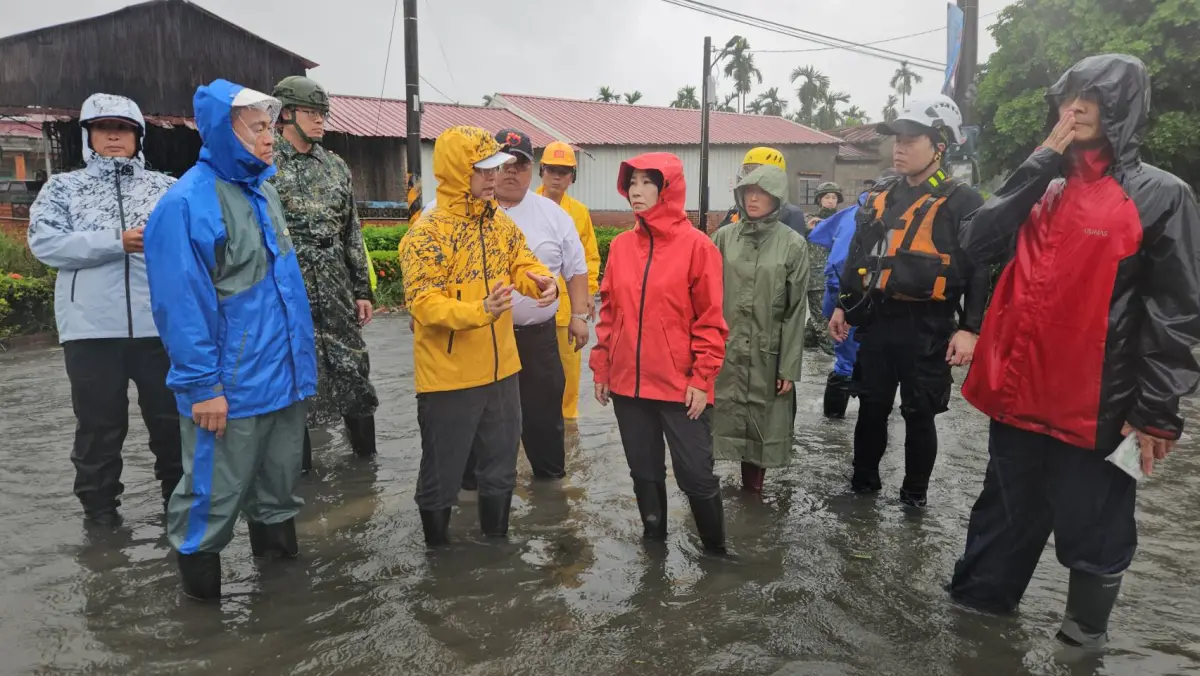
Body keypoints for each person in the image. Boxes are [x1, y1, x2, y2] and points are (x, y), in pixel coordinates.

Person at [947, 54, 1200, 650]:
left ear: (1124, 109)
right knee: (1001, 520)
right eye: (1069, 95)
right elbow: (975, 241)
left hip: (1100, 411)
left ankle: (1082, 643)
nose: (1077, 107)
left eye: (1094, 97)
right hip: (1015, 400)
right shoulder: (1043, 184)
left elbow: (1178, 312)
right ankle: (975, 630)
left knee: (1098, 530)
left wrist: (1157, 411)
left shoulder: (1161, 194)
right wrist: (1036, 164)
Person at [143, 80, 318, 601]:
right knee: (210, 499)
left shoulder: (263, 190)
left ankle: (283, 605)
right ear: (225, 129)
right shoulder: (185, 205)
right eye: (259, 128)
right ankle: (202, 619)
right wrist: (202, 387)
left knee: (279, 489)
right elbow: (181, 308)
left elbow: (284, 287)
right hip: (229, 389)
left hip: (282, 380)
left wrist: (301, 367)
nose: (271, 138)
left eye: (271, 126)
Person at [26, 93, 181, 528]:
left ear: (138, 136)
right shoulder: (63, 188)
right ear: (88, 136)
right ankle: (101, 519)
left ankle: (182, 509)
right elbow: (46, 244)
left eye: (124, 128)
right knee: (98, 429)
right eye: (103, 127)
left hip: (160, 330)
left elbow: (191, 248)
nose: (114, 135)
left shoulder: (166, 189)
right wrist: (116, 241)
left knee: (172, 426)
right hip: (90, 332)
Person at [400, 125, 558, 546]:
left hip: (503, 370)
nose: (493, 179)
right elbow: (424, 303)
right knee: (442, 473)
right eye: (483, 171)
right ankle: (438, 560)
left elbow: (522, 261)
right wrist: (479, 311)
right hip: (448, 376)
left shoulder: (499, 225)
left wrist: (541, 281)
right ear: (455, 172)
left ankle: (496, 545)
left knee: (501, 468)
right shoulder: (426, 234)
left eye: (495, 169)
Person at [830, 94, 988, 508]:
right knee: (870, 407)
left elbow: (980, 268)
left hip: (930, 324)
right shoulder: (882, 194)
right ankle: (863, 489)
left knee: (920, 414)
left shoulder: (963, 201)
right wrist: (843, 305)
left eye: (910, 140)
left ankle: (913, 499)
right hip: (880, 320)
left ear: (939, 146)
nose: (898, 147)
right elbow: (859, 256)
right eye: (896, 139)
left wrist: (970, 329)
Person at [590, 152, 729, 555]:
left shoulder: (698, 248)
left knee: (697, 476)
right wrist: (602, 367)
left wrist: (702, 380)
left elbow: (711, 321)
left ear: (669, 188)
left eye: (648, 182)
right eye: (632, 182)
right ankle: (654, 546)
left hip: (679, 387)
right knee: (644, 472)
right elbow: (610, 312)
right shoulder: (620, 247)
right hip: (628, 388)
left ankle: (716, 555)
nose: (637, 191)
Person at [269, 75, 378, 470]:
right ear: (286, 114)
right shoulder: (265, 164)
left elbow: (351, 230)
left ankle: (366, 461)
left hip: (334, 280)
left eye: (323, 113)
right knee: (295, 370)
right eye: (311, 113)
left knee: (351, 365)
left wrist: (362, 290)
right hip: (290, 282)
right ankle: (298, 473)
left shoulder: (334, 165)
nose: (320, 121)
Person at [711, 164, 808, 493]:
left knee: (757, 430)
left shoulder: (793, 245)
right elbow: (704, 294)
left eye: (762, 192)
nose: (753, 198)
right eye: (748, 190)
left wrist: (788, 366)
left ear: (777, 198)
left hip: (766, 354)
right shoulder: (724, 238)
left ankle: (751, 502)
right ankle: (703, 496)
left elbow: (796, 311)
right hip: (724, 351)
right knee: (710, 421)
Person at [808, 170, 899, 419]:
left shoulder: (849, 213)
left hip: (835, 292)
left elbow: (817, 235)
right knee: (876, 360)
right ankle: (867, 416)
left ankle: (832, 423)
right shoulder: (892, 216)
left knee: (845, 356)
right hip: (860, 295)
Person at [536, 141, 602, 421]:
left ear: (572, 177)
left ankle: (567, 427)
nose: (557, 176)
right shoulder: (525, 206)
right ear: (542, 170)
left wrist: (587, 294)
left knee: (568, 374)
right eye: (552, 169)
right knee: (530, 375)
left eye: (564, 171)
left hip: (567, 310)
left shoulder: (579, 212)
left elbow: (589, 258)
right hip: (531, 308)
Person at [717, 147, 807, 235]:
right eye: (746, 169)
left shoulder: (790, 214)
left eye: (762, 192)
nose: (753, 198)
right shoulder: (738, 211)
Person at [803, 182, 844, 354]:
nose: (830, 201)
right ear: (819, 200)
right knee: (821, 317)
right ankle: (831, 351)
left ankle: (808, 341)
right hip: (816, 276)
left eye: (834, 197)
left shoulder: (843, 219)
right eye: (827, 197)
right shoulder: (809, 219)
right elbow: (796, 237)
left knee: (824, 311)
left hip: (836, 275)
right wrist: (807, 229)